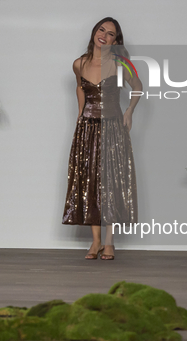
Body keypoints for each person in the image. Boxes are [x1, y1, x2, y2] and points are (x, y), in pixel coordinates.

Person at [62, 17, 142, 260]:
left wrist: (129, 111)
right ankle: (95, 242)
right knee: (90, 182)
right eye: (101, 30)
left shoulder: (121, 64)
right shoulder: (79, 63)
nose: (104, 36)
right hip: (87, 128)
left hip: (113, 127)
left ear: (115, 41)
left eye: (110, 34)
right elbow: (79, 86)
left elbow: (138, 87)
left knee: (111, 182)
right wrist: (79, 112)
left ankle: (109, 242)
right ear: (95, 32)